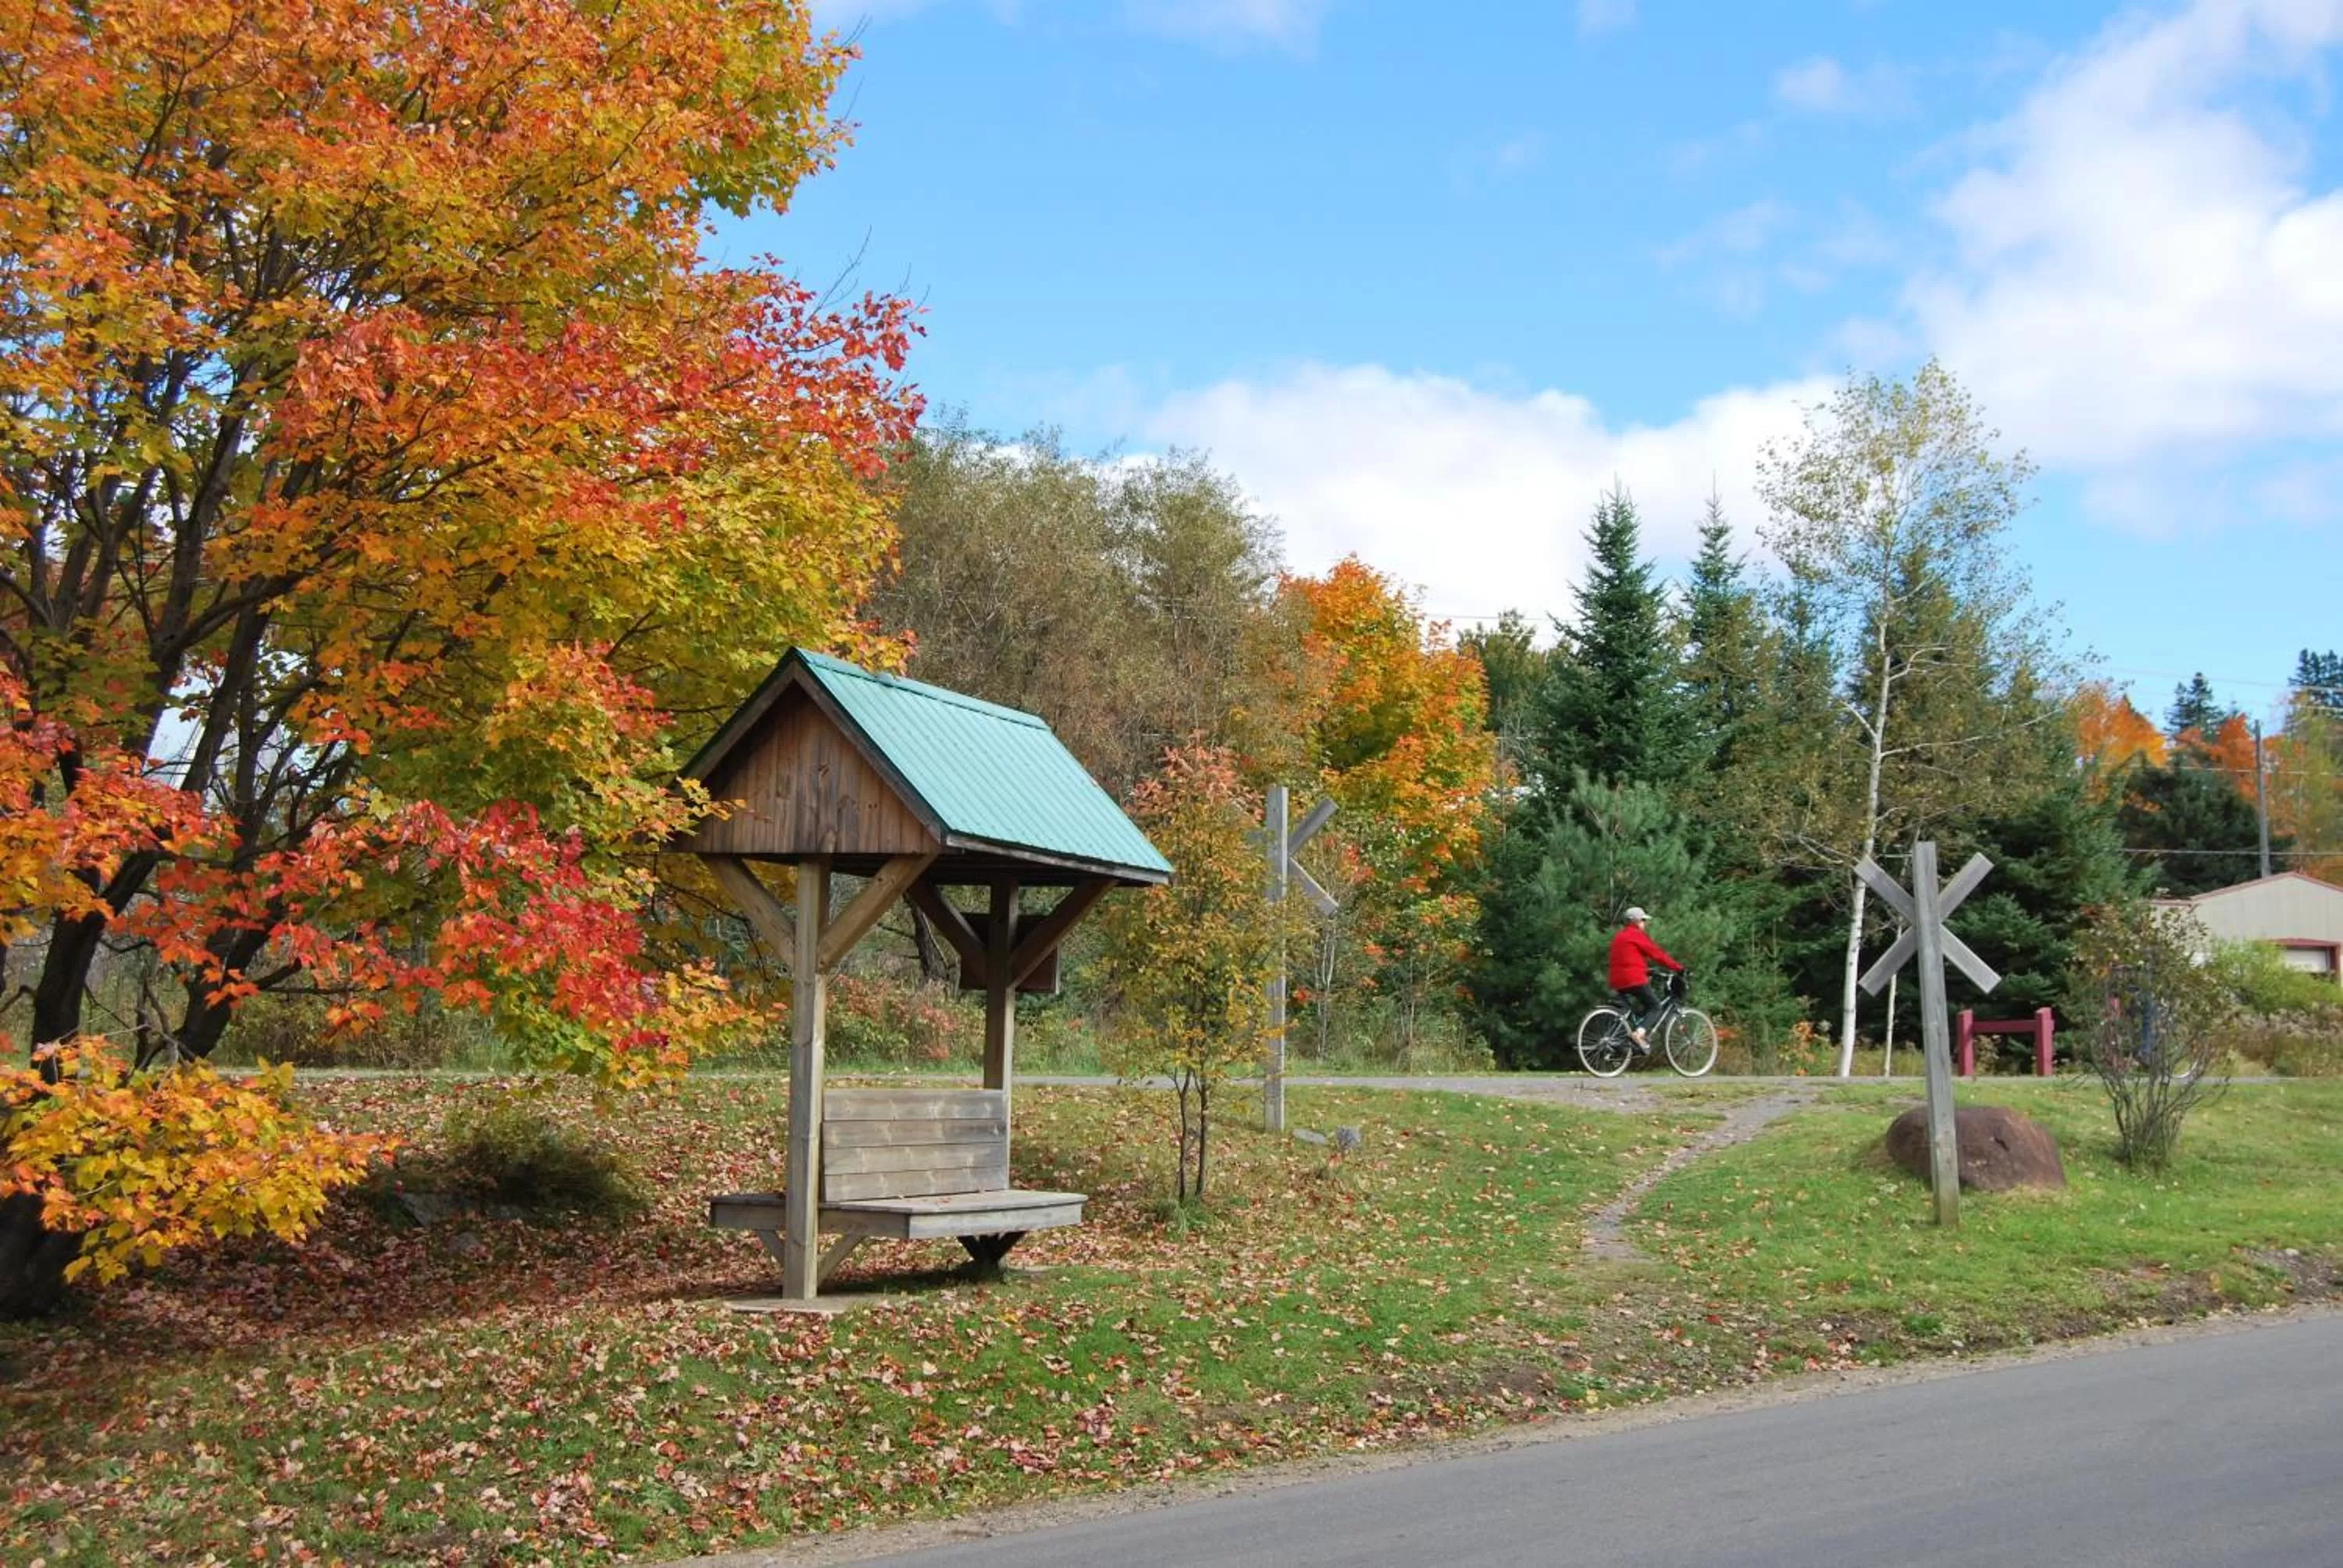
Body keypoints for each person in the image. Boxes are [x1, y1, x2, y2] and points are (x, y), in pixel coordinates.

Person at [1607, 906, 1682, 1049]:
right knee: (1655, 1006)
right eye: (1643, 921)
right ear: (1635, 922)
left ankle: (1628, 1038)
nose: (1644, 924)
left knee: (1638, 1009)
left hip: (1616, 980)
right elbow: (1657, 954)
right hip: (1633, 979)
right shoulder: (1636, 935)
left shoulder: (1619, 937)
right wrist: (1678, 968)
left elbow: (1627, 959)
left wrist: (1647, 970)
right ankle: (1639, 1034)